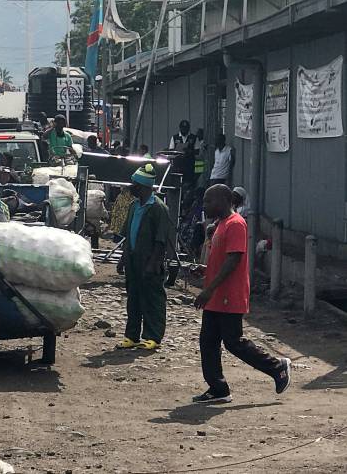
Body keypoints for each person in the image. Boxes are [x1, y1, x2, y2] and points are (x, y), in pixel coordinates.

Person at [193, 184, 291, 403]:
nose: (205, 205)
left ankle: (277, 367)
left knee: (233, 342)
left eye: (209, 200)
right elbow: (222, 260)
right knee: (207, 342)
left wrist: (208, 290)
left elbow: (234, 261)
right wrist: (206, 271)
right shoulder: (220, 225)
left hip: (229, 295)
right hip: (216, 296)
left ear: (223, 201)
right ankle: (218, 388)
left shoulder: (236, 224)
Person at [117, 163, 171, 350]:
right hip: (133, 260)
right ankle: (131, 335)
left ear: (144, 187)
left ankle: (152, 336)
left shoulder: (158, 208)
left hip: (149, 261)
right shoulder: (134, 206)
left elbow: (161, 240)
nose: (132, 188)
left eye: (135, 185)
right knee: (133, 298)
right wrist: (123, 258)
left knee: (152, 299)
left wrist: (153, 263)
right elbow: (127, 235)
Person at [169, 119, 198, 186]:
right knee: (177, 185)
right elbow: (171, 151)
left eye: (186, 128)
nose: (184, 130)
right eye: (183, 128)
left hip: (189, 166)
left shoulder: (193, 138)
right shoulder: (174, 137)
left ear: (188, 128)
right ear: (180, 128)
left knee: (188, 186)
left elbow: (197, 151)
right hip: (177, 166)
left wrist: (189, 151)